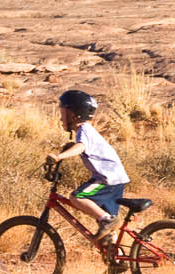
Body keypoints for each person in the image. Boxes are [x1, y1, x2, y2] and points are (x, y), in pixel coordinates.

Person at [49, 89, 132, 245]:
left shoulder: (84, 130)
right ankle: (116, 260)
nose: (61, 118)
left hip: (106, 178)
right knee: (108, 232)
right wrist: (67, 148)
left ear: (74, 114)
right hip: (116, 178)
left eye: (63, 113)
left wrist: (59, 156)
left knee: (77, 197)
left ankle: (107, 220)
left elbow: (81, 147)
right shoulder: (86, 131)